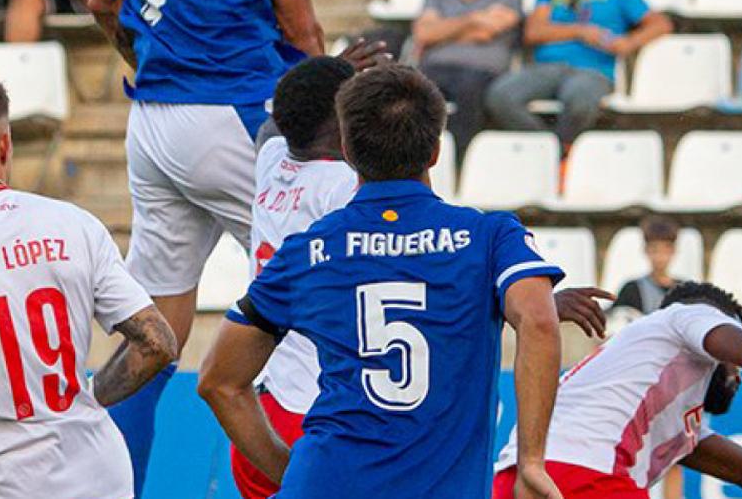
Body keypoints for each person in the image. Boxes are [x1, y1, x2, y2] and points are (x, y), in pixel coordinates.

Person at [87, 0, 344, 493]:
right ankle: (299, 482)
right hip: (232, 119)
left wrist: (151, 61)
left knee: (155, 333)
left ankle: (87, 464)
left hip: (154, 121)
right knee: (318, 292)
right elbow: (302, 34)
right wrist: (335, 90)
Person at [231, 55, 609, 499]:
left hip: (292, 421)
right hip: (402, 452)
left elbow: (218, 379)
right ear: (435, 151)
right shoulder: (486, 235)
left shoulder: (291, 208)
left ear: (351, 152)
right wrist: (530, 460)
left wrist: (294, 477)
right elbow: (534, 320)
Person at [0, 71, 178, 498]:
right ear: (5, 144)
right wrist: (89, 398)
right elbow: (158, 343)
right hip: (99, 477)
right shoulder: (73, 223)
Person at [492, 282, 742, 499]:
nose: (737, 375)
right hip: (585, 474)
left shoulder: (659, 409)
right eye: (731, 366)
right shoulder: (687, 316)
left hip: (518, 478)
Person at [485, 0, 672, 152]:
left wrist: (629, 42)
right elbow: (533, 32)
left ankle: (557, 153)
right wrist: (581, 32)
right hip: (547, 68)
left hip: (593, 69)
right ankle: (551, 150)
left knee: (579, 101)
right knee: (500, 95)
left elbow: (660, 24)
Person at [412, 0, 522, 157]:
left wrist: (443, 31)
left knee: (469, 92)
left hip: (480, 73)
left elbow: (489, 30)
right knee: (404, 92)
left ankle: (460, 165)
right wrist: (474, 19)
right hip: (434, 69)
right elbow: (423, 33)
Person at [611, 215, 679, 316]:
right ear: (646, 250)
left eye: (665, 250)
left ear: (673, 250)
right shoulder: (632, 290)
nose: (660, 257)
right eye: (654, 250)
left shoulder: (686, 292)